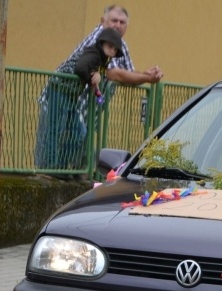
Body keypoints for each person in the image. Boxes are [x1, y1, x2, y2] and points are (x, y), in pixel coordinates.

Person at [34, 5, 164, 178]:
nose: (117, 25)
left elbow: (127, 72)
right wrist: (145, 78)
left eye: (122, 22)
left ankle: (67, 172)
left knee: (77, 134)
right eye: (113, 21)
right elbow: (114, 73)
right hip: (62, 91)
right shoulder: (99, 39)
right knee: (56, 131)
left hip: (78, 100)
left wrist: (146, 74)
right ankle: (49, 171)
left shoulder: (117, 44)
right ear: (103, 21)